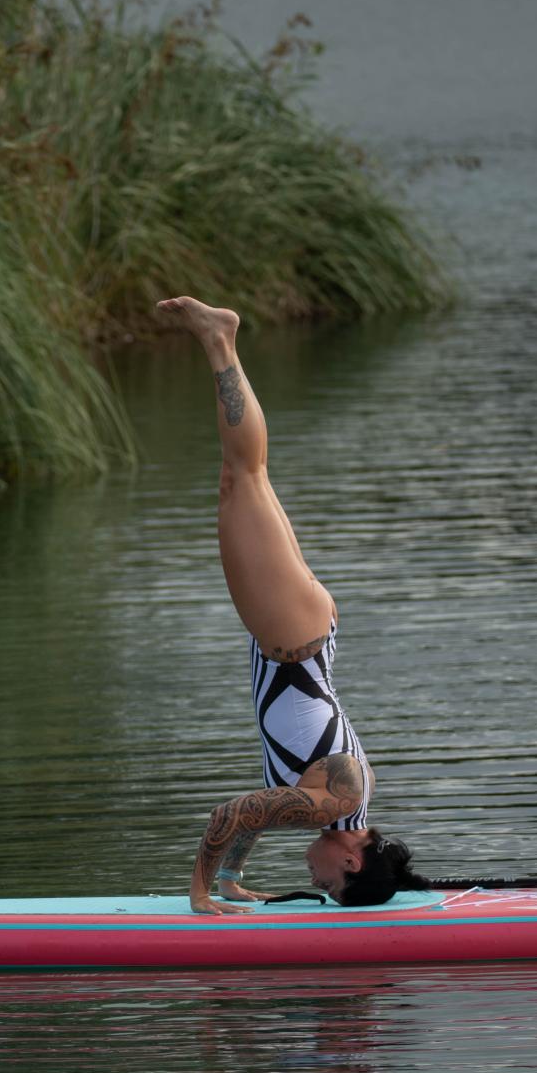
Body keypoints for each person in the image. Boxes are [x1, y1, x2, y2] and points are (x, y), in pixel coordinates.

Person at [156, 295, 426, 915]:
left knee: (249, 476)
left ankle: (220, 340)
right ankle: (219, 338)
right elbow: (234, 812)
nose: (316, 879)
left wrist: (231, 876)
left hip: (301, 631)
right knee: (242, 476)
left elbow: (259, 810)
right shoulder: (336, 803)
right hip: (290, 637)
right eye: (331, 884)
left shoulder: (340, 804)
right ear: (352, 861)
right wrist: (199, 893)